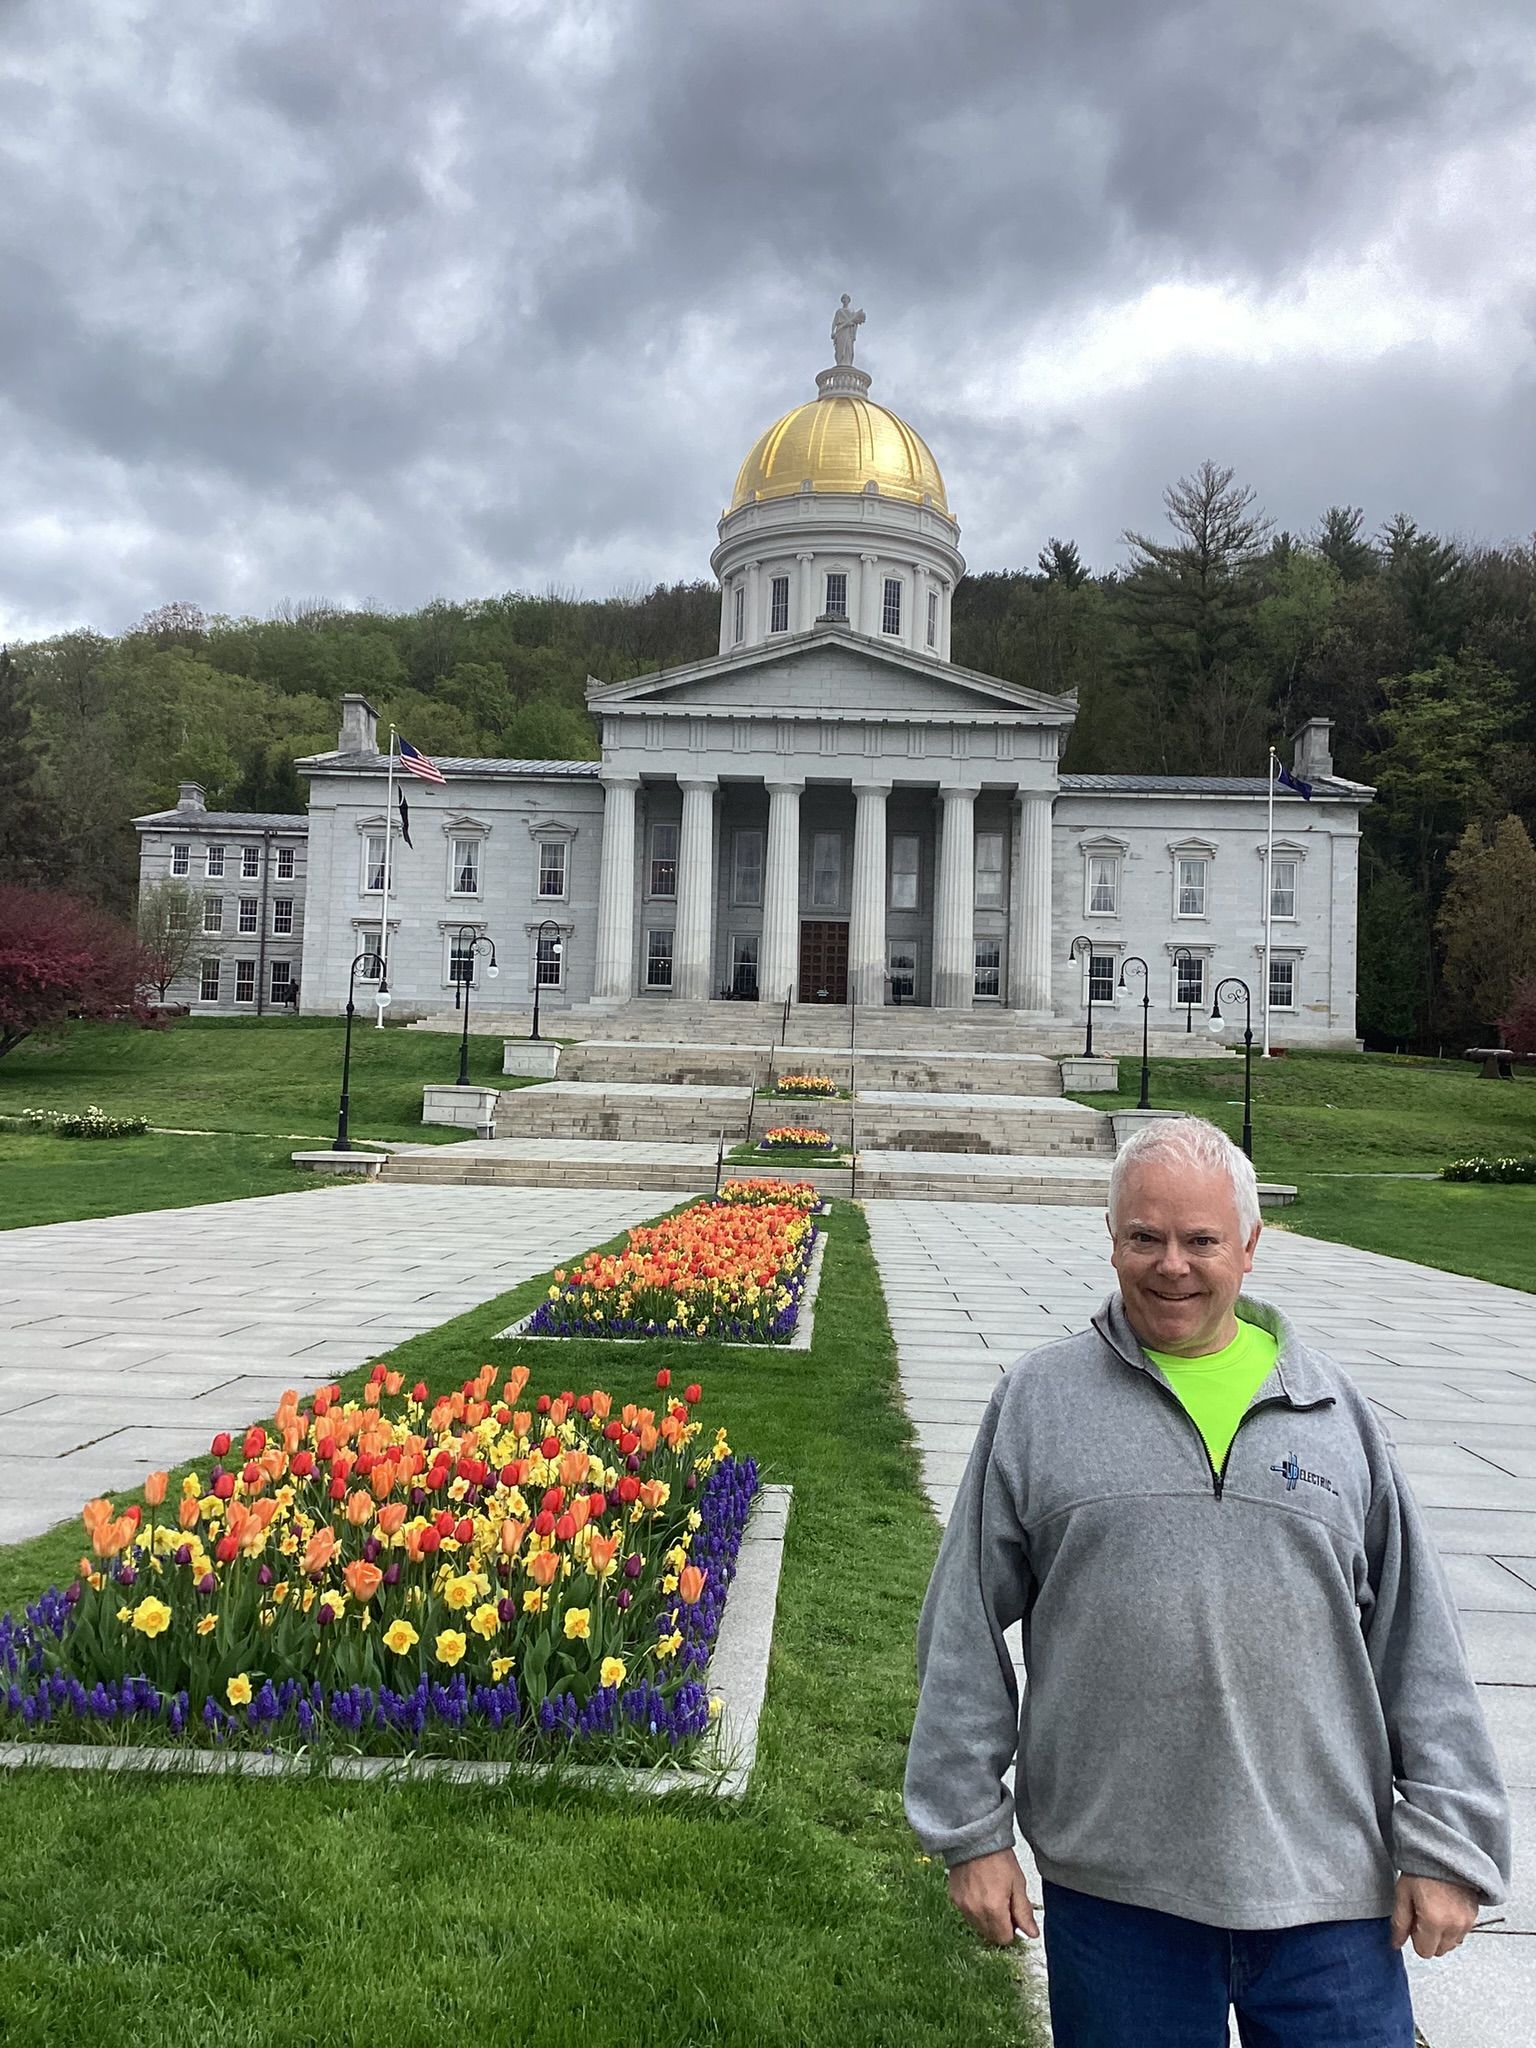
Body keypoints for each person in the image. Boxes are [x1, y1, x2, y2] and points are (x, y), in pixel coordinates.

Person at [904, 1116, 1510, 2047]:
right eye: (1145, 1237)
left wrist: (1450, 1839)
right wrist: (970, 1833)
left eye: (1201, 1240)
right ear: (1112, 1240)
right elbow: (961, 1634)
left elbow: (1417, 1640)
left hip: (1329, 1894)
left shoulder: (1332, 1410)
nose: (1172, 1266)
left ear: (1251, 1246)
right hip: (1117, 1895)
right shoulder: (1038, 1403)